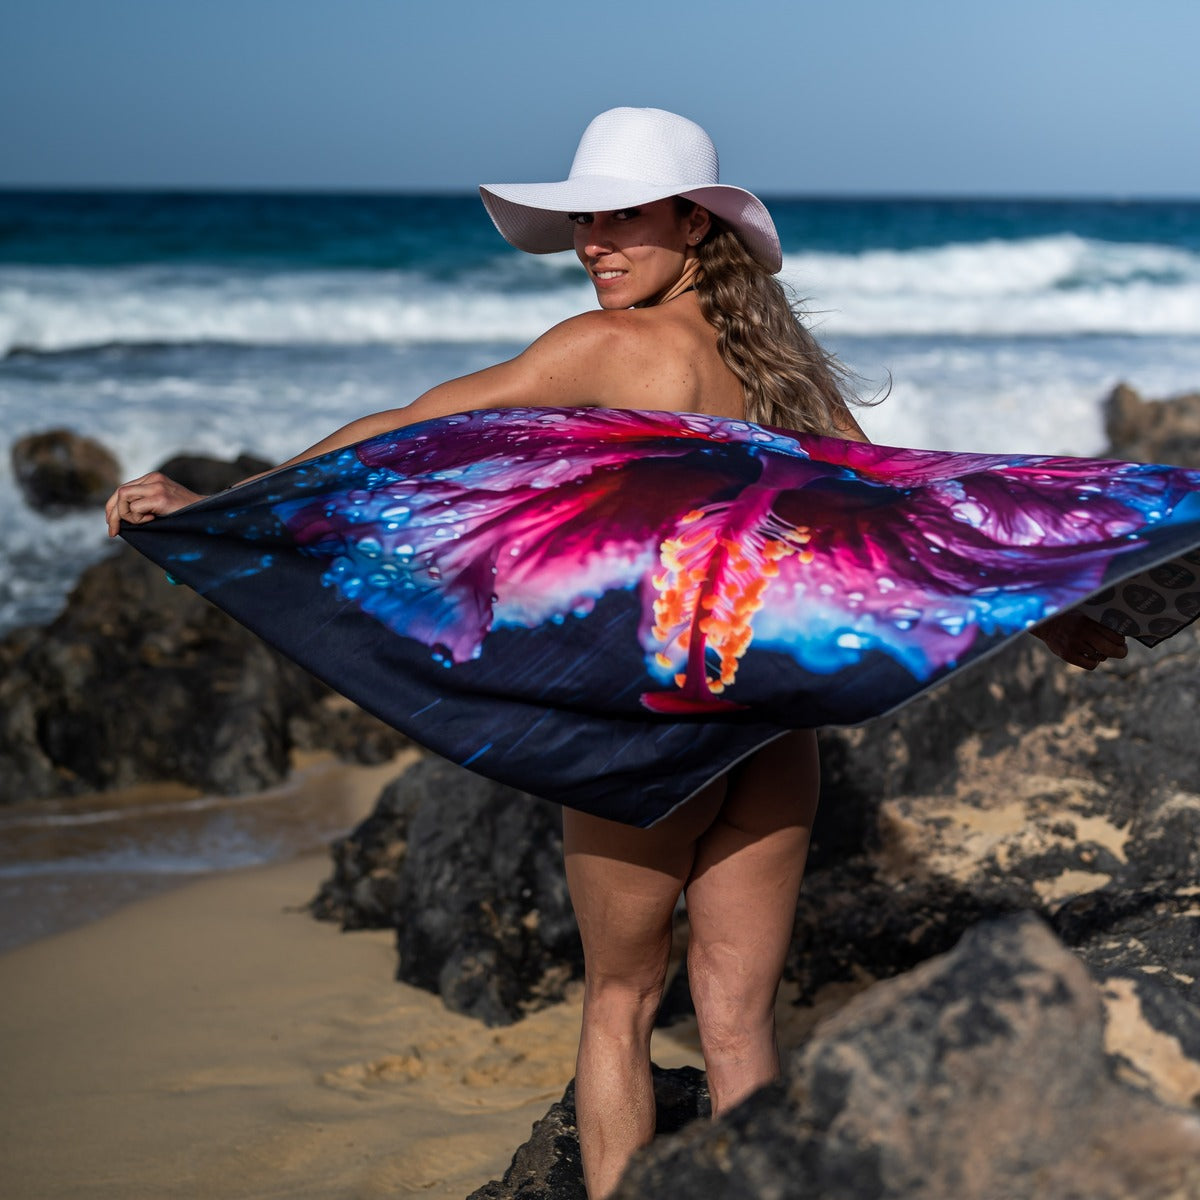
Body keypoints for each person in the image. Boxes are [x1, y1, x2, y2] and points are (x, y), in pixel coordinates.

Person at [105, 107, 1125, 1197]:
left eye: (621, 217)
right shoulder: (786, 378)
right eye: (586, 219)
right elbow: (902, 522)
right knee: (738, 1028)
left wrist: (226, 506)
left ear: (692, 224)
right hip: (769, 730)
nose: (594, 241)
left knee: (621, 1003)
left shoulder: (603, 349)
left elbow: (410, 425)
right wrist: (1055, 605)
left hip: (647, 736)